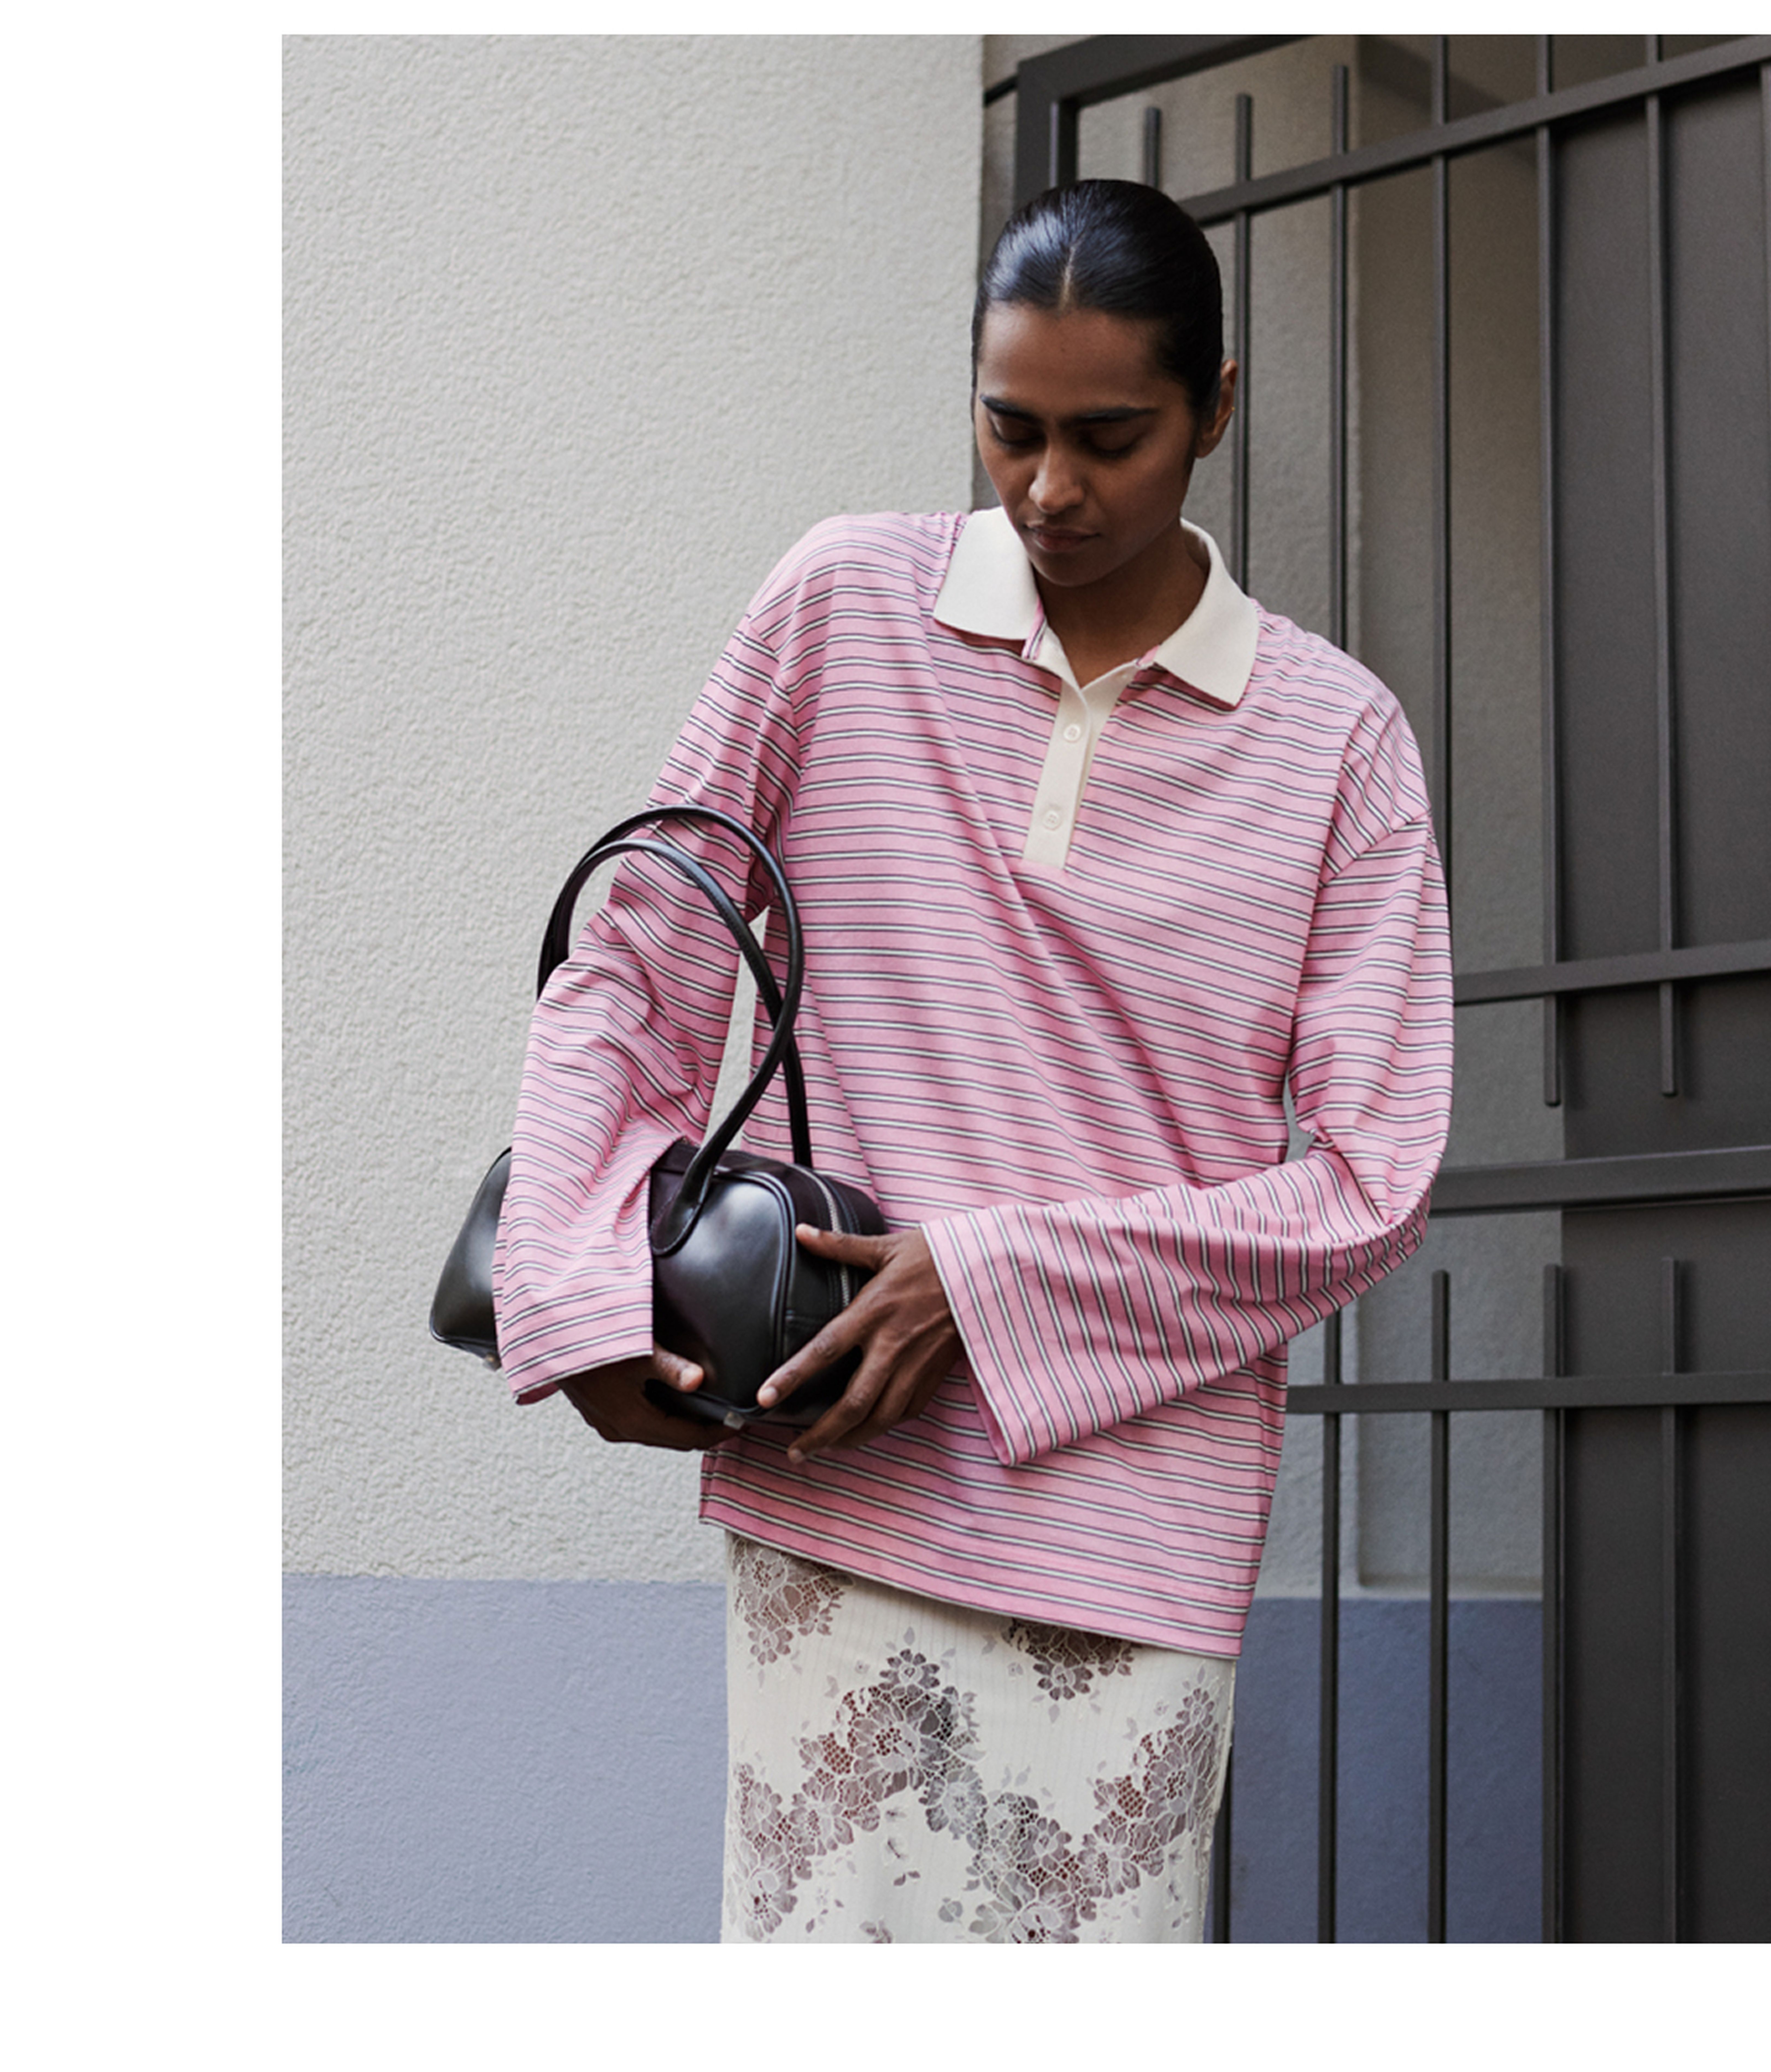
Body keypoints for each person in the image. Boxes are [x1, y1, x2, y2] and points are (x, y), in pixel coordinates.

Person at [492, 177, 1452, 1943]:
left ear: (1218, 408)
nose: (1050, 489)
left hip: (1139, 1534)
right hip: (835, 1483)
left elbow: (1372, 1181)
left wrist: (990, 1279)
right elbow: (647, 950)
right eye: (1009, 428)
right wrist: (580, 1297)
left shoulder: (1340, 742)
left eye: (1112, 436)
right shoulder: (840, 602)